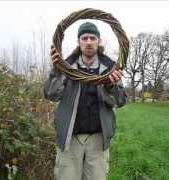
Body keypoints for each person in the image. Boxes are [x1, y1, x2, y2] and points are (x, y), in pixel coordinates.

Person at [44, 22, 127, 180]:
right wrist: (56, 71)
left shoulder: (111, 68)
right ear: (79, 42)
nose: (88, 41)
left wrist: (111, 86)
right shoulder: (65, 66)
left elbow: (120, 101)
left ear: (98, 41)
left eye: (92, 38)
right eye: (84, 38)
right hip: (70, 138)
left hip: (98, 139)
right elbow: (50, 94)